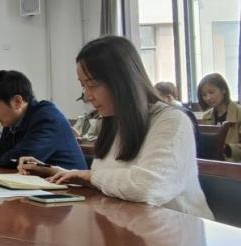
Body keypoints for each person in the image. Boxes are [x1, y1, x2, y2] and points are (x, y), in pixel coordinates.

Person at [22, 36, 212, 218]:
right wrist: (57, 171)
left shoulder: (172, 121)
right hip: (132, 224)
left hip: (178, 230)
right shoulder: (114, 121)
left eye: (92, 85)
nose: (87, 96)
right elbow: (106, 179)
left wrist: (90, 177)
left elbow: (147, 187)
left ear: (122, 81)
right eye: (83, 86)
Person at [196, 73, 241, 160]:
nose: (208, 98)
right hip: (213, 162)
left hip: (234, 164)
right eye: (204, 95)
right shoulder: (206, 116)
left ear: (223, 90)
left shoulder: (239, 113)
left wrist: (227, 149)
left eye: (211, 92)